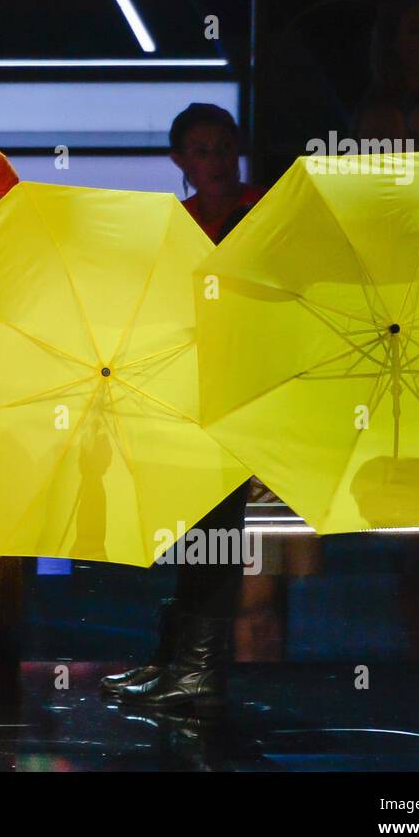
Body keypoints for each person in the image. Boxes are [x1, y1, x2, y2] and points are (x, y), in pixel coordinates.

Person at [103, 103, 266, 709]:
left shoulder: (264, 210)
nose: (216, 161)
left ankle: (200, 669)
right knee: (198, 525)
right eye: (201, 151)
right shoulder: (179, 221)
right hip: (190, 387)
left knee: (219, 526)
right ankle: (178, 657)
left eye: (223, 147)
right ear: (179, 160)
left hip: (249, 384)